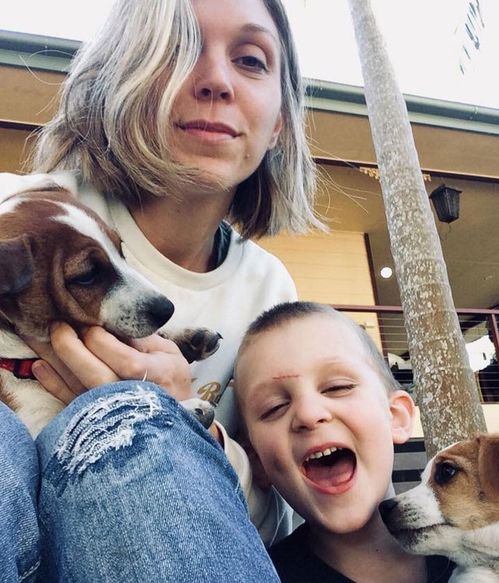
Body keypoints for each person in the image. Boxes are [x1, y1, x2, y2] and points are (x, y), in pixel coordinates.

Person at [0, 0, 322, 580]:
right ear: (117, 81)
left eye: (250, 60)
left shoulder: (270, 291)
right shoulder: (20, 210)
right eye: (178, 48)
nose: (217, 81)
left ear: (280, 121)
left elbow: (285, 516)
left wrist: (186, 429)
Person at [233, 302, 456, 583]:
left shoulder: (481, 549)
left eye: (338, 387)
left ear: (396, 417)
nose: (309, 414)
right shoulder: (256, 577)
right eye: (274, 407)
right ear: (256, 461)